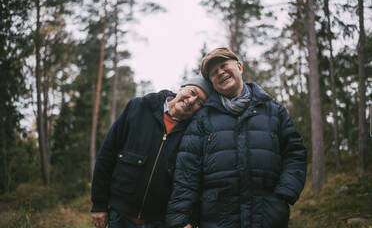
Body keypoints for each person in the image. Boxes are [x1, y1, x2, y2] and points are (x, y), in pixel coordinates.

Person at [166, 48, 307, 228]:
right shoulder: (201, 120)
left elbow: (295, 152)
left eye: (224, 66)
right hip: (216, 220)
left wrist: (285, 193)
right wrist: (180, 221)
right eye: (214, 73)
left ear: (239, 67)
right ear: (212, 82)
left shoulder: (273, 110)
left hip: (268, 218)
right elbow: (186, 173)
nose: (221, 73)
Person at [91, 76, 212, 228]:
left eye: (200, 102)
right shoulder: (138, 107)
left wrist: (192, 220)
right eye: (192, 92)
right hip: (119, 216)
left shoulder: (194, 132)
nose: (192, 101)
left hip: (159, 221)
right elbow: (107, 155)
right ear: (181, 88)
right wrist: (99, 204)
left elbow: (196, 180)